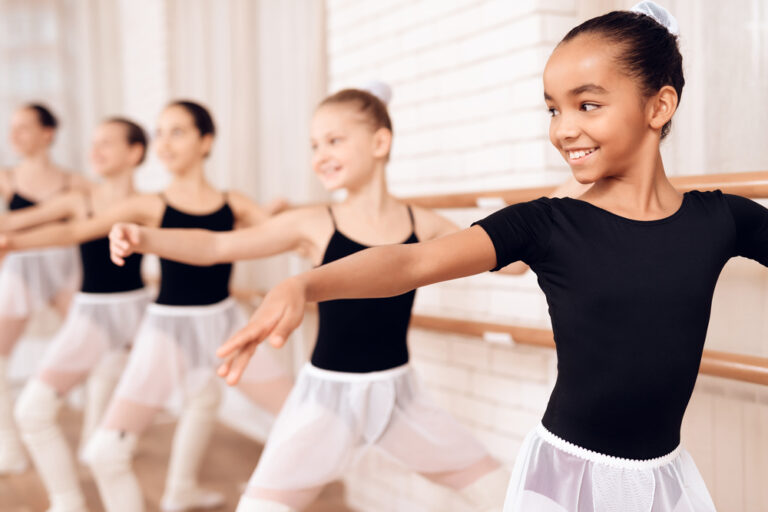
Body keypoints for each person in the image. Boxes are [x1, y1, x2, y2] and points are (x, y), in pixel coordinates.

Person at [210, 3, 749, 510]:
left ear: (660, 105)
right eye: (553, 109)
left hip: (667, 476)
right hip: (565, 473)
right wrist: (304, 286)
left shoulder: (720, 220)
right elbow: (410, 264)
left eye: (587, 105)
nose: (563, 128)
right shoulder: (546, 223)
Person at [109, 85, 516, 512]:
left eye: (334, 141)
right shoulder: (314, 223)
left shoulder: (423, 223)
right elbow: (216, 246)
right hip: (325, 402)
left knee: (502, 490)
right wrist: (144, 237)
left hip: (401, 398)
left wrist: (563, 203)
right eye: (314, 145)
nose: (319, 155)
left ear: (380, 142)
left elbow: (510, 262)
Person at [1, 100, 293, 512]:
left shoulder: (234, 202)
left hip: (226, 323)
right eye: (160, 133)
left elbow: (281, 232)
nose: (165, 142)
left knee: (294, 415)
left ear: (205, 141)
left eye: (177, 132)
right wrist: (11, 242)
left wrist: (292, 217)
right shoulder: (147, 205)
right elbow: (77, 230)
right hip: (164, 324)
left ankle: (243, 492)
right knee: (107, 447)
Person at [0, 103, 87, 474]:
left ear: (47, 133)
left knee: (96, 345)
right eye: (12, 128)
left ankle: (92, 441)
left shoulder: (75, 182)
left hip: (64, 267)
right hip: (20, 269)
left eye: (23, 128)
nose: (14, 135)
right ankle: (8, 445)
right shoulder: (6, 177)